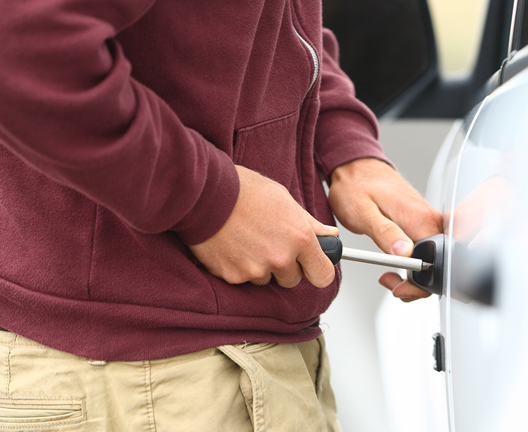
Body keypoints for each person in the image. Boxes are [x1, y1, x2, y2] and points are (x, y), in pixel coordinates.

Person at [0, 1, 441, 430]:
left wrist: (345, 146)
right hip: (144, 380)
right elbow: (26, 46)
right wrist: (208, 201)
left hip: (212, 369)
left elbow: (277, 23)